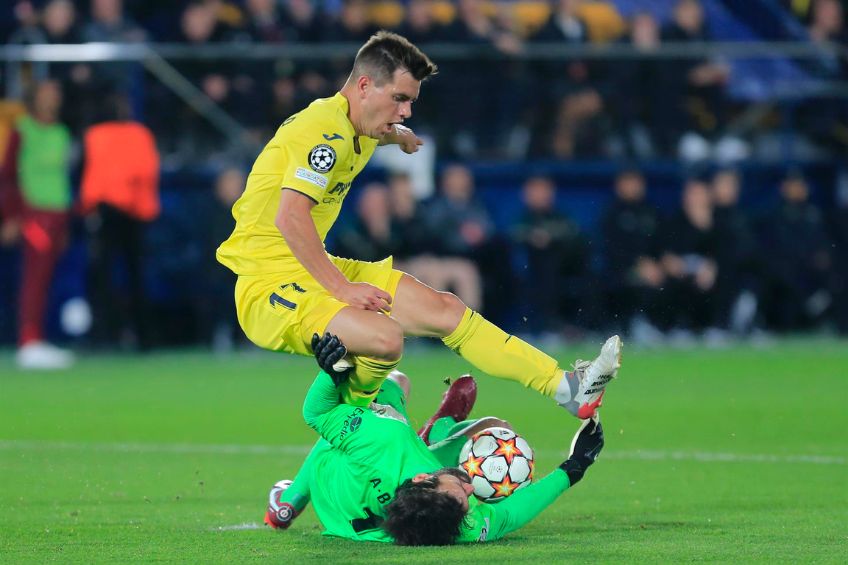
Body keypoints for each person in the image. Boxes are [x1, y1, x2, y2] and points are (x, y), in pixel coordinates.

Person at [216, 31, 621, 423]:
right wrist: (342, 289)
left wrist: (399, 137)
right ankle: (356, 422)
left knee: (445, 309)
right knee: (386, 338)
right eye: (399, 99)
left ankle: (567, 389)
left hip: (308, 271)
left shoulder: (359, 123)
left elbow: (376, 131)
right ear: (363, 86)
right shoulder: (323, 132)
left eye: (410, 102)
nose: (406, 111)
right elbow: (290, 217)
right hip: (268, 287)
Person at [265, 333, 607, 545]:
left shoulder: (384, 439)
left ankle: (289, 501)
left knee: (393, 385)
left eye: (460, 491)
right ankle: (437, 430)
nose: (472, 489)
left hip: (335, 483)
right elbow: (512, 515)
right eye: (466, 500)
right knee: (488, 430)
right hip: (345, 515)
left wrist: (331, 374)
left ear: (423, 479)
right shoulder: (452, 524)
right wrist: (576, 465)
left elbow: (318, 414)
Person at [0, 80, 74, 369]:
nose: (51, 100)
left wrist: (66, 223)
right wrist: (11, 216)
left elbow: (63, 179)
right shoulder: (22, 131)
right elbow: (8, 176)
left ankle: (39, 338)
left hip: (58, 214)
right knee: (34, 277)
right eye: (45, 94)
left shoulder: (62, 133)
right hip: (34, 214)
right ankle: (28, 340)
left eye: (55, 94)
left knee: (49, 278)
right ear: (33, 98)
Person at [79, 94, 160, 350]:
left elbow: (91, 176)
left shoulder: (95, 135)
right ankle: (141, 337)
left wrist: (89, 206)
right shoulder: (139, 134)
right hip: (132, 212)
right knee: (134, 277)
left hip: (109, 211)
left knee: (103, 277)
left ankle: (104, 336)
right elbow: (148, 172)